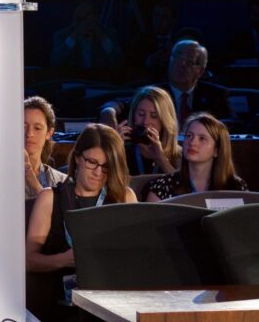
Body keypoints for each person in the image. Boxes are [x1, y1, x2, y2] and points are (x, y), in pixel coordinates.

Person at [26, 124, 136, 321]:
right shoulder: (50, 199)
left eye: (106, 166)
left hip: (110, 304)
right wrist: (63, 259)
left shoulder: (124, 197)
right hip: (59, 306)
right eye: (92, 162)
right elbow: (28, 260)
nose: (98, 172)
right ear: (77, 158)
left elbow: (136, 255)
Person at [144, 113, 247, 201]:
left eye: (202, 138)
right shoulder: (163, 186)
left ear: (217, 150)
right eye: (189, 136)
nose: (192, 142)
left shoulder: (236, 187)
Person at [114, 86, 180, 175]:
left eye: (154, 116)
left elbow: (181, 187)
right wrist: (115, 149)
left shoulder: (178, 154)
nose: (145, 122)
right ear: (133, 116)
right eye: (141, 114)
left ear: (164, 120)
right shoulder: (125, 149)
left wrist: (161, 159)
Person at [164, 40, 232, 126]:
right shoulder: (152, 94)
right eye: (177, 57)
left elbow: (231, 122)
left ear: (200, 71)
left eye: (189, 61)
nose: (181, 64)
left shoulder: (216, 94)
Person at [50, 1, 124, 70]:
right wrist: (74, 35)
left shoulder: (109, 33)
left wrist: (101, 35)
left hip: (101, 81)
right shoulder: (61, 35)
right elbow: (55, 63)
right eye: (80, 18)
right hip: (73, 80)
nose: (86, 22)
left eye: (88, 16)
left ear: (96, 18)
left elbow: (119, 63)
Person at [24, 96, 68, 200]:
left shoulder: (61, 181)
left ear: (49, 133)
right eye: (23, 127)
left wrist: (32, 181)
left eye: (37, 128)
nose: (29, 134)